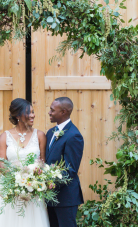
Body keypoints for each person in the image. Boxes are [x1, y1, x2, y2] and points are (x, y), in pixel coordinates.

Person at [0, 98, 50, 227]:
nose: (33, 115)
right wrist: (17, 184)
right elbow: (2, 165)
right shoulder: (4, 137)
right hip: (11, 191)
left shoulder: (40, 135)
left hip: (33, 190)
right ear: (17, 115)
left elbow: (43, 163)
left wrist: (32, 182)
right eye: (29, 112)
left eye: (33, 112)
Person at [46, 97, 84, 227]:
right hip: (50, 197)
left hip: (66, 198)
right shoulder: (50, 133)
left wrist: (50, 184)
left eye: (52, 110)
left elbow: (70, 169)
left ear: (63, 112)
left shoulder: (74, 135)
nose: (49, 112)